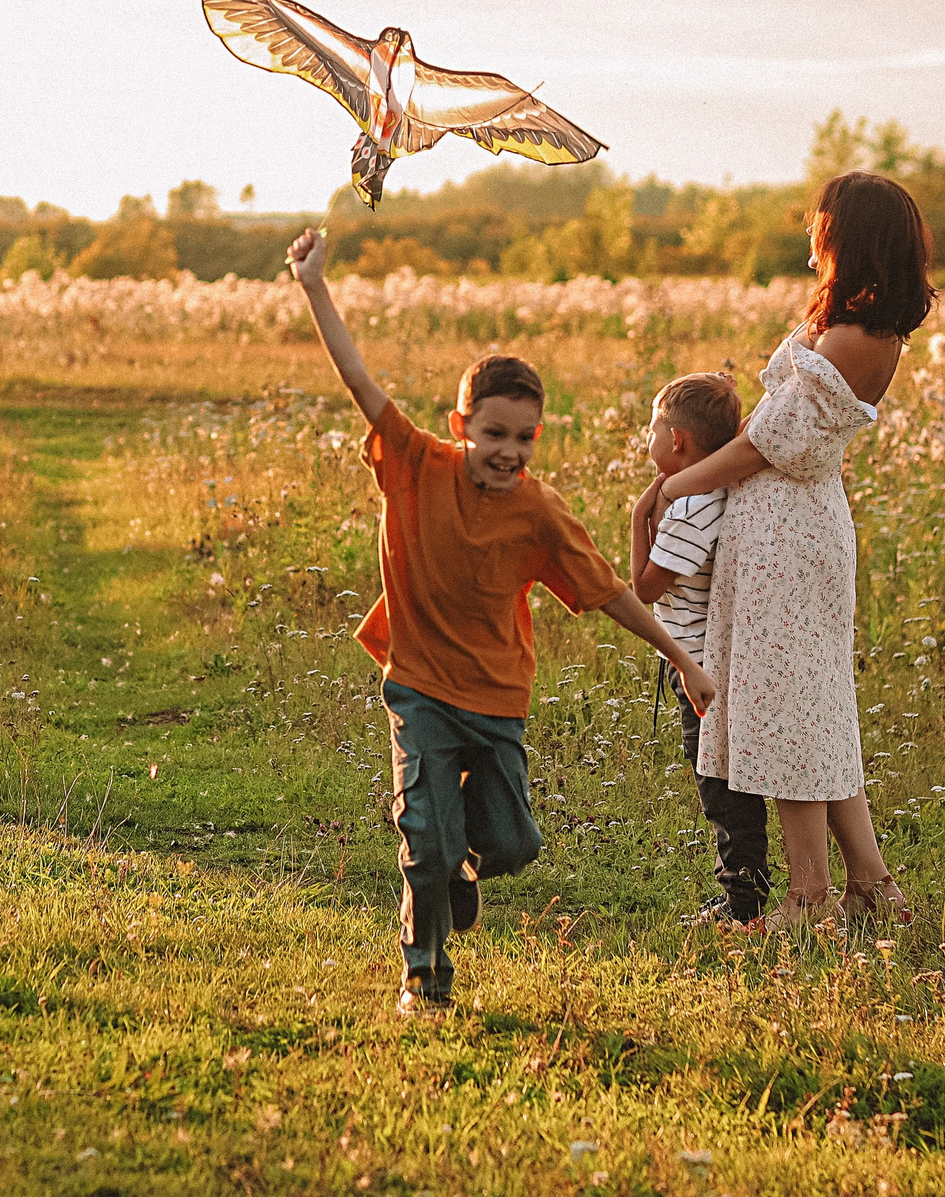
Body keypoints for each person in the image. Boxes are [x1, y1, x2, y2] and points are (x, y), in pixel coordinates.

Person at [287, 226, 713, 1012]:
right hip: (419, 685)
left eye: (522, 437)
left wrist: (683, 659)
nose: (508, 451)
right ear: (461, 427)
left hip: (496, 699)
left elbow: (610, 591)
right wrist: (315, 284)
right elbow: (357, 379)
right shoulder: (415, 464)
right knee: (425, 834)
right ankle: (425, 979)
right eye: (492, 434)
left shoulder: (539, 512)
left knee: (513, 843)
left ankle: (462, 868)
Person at [654, 170, 934, 932]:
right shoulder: (860, 327)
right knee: (814, 704)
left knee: (788, 710)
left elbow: (763, 444)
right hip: (786, 532)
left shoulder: (854, 338)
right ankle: (870, 882)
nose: (812, 244)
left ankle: (810, 896)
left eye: (822, 231)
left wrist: (674, 486)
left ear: (852, 240)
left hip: (790, 539)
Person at [626, 371, 771, 925]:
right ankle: (744, 891)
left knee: (718, 784)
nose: (649, 437)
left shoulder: (689, 507)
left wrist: (638, 519)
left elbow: (644, 588)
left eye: (653, 428)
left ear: (677, 439)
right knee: (724, 777)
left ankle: (743, 900)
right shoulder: (717, 490)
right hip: (715, 656)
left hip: (698, 665)